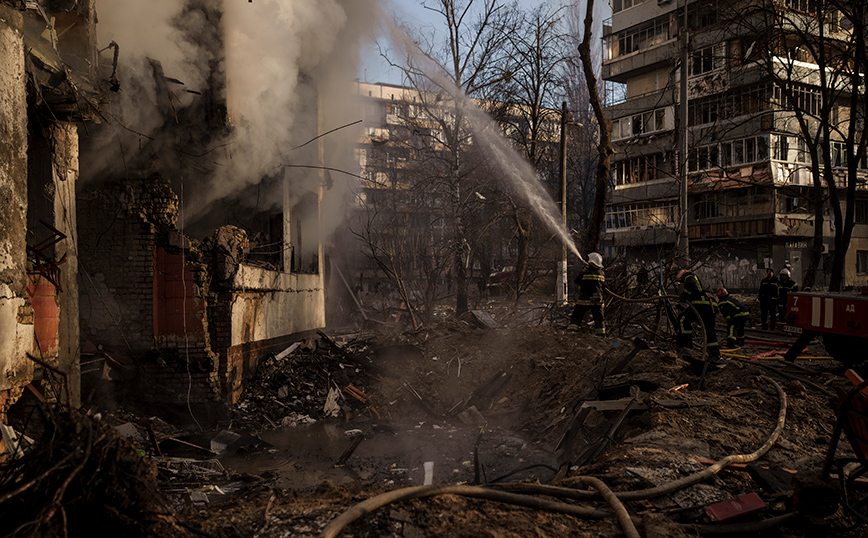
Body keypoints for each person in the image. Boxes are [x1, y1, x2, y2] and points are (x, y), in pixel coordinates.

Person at [675, 268, 720, 358]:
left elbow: (691, 286)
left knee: (683, 319)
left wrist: (684, 296)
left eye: (682, 281)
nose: (682, 282)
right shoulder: (700, 279)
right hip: (711, 307)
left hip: (701, 306)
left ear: (683, 276)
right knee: (709, 329)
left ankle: (686, 344)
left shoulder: (690, 277)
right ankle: (714, 354)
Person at [567, 252, 606, 336]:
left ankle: (571, 332)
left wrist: (584, 269)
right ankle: (601, 335)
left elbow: (577, 281)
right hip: (597, 300)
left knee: (577, 316)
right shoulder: (601, 273)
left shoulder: (585, 272)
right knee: (599, 318)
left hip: (585, 299)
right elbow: (604, 287)